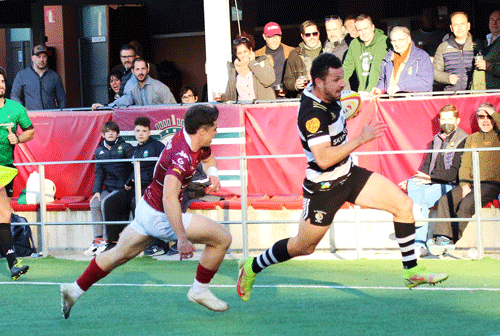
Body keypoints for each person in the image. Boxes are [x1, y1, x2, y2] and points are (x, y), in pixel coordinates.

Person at [236, 53, 448, 303]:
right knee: (303, 247)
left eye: (342, 78)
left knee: (403, 205)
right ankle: (252, 266)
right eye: (336, 80)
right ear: (318, 82)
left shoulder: (325, 94)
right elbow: (324, 159)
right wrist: (361, 138)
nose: (342, 84)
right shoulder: (312, 115)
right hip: (324, 186)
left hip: (348, 174)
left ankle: (411, 271)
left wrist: (347, 110)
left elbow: (336, 111)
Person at [60, 104, 232, 318]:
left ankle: (73, 290)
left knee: (117, 255)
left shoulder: (193, 138)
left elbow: (208, 159)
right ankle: (199, 290)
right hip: (161, 215)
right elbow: (169, 198)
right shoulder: (182, 156)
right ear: (202, 131)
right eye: (214, 128)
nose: (217, 131)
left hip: (146, 207)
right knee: (222, 238)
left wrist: (213, 173)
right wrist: (181, 238)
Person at [428, 103, 500, 255]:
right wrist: (465, 184)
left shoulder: (497, 135)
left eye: (489, 117)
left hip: (491, 184)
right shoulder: (472, 138)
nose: (485, 120)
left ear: (493, 119)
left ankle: (452, 240)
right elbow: (465, 164)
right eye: (482, 116)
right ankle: (441, 239)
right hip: (470, 183)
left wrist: (494, 113)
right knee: (445, 201)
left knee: (467, 203)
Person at [399, 104, 468, 256]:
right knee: (412, 181)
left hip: (450, 185)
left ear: (458, 120)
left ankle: (419, 243)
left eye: (450, 118)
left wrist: (429, 178)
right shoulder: (436, 139)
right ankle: (416, 211)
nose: (446, 122)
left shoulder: (464, 140)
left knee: (421, 202)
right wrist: (417, 179)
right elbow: (425, 166)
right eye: (443, 119)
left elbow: (454, 174)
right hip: (432, 182)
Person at [101, 117, 166, 255]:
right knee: (110, 203)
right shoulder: (136, 150)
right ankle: (114, 243)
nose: (141, 133)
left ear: (149, 132)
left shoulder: (158, 146)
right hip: (136, 187)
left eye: (144, 131)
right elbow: (135, 172)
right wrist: (128, 183)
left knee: (136, 202)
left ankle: (157, 243)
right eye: (138, 131)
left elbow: (166, 167)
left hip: (152, 187)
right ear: (134, 132)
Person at [0, 67, 35, 279]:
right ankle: (12, 263)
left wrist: (18, 139)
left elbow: (30, 130)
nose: (0, 85)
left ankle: (12, 264)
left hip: (7, 168)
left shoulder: (16, 108)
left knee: (4, 215)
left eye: (2, 81)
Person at [84, 121, 134, 256]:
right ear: (103, 134)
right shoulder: (99, 151)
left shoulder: (126, 147)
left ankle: (108, 239)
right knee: (95, 203)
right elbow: (99, 174)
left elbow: (135, 167)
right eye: (107, 131)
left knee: (106, 204)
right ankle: (98, 240)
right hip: (110, 188)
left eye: (113, 131)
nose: (110, 133)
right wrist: (96, 192)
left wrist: (130, 182)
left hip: (124, 188)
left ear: (118, 134)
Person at [372, 26, 434, 96]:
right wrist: (379, 90)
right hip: (392, 103)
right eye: (394, 41)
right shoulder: (387, 59)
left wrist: (400, 86)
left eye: (400, 40)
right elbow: (383, 81)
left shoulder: (421, 57)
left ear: (408, 39)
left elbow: (426, 82)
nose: (397, 44)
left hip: (415, 103)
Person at [100, 58, 176, 108]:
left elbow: (174, 108)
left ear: (148, 69)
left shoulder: (160, 87)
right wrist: (104, 106)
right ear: (132, 71)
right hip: (143, 129)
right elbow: (122, 101)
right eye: (137, 69)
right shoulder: (133, 89)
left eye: (143, 69)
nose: (140, 72)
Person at [221, 32, 276, 102]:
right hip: (243, 109)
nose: (243, 55)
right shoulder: (234, 70)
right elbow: (230, 96)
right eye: (239, 53)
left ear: (250, 50)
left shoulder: (262, 61)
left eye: (245, 51)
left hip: (263, 109)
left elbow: (268, 80)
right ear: (236, 55)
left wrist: (252, 62)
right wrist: (221, 98)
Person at [342, 14, 390, 92]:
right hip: (363, 92)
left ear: (373, 27)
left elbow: (376, 69)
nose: (363, 32)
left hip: (380, 92)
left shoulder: (383, 41)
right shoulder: (355, 44)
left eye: (366, 28)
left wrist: (368, 92)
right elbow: (346, 68)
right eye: (360, 30)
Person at [11, 44, 66, 110]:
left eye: (44, 56)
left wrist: (60, 114)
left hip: (51, 117)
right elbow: (14, 96)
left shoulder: (55, 76)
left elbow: (62, 99)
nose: (41, 59)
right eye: (38, 56)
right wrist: (21, 109)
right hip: (31, 117)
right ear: (32, 58)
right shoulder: (22, 75)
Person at [433, 12, 475, 91]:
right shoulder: (443, 47)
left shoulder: (478, 45)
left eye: (462, 24)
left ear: (468, 26)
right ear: (451, 28)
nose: (459, 28)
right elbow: (435, 72)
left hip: (475, 96)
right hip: (452, 96)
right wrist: (447, 78)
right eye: (456, 25)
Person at [283, 20, 322, 97]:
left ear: (319, 33)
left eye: (314, 34)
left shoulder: (328, 51)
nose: (312, 37)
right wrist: (295, 84)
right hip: (304, 99)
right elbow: (286, 81)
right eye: (308, 35)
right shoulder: (294, 54)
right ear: (302, 36)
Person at [473, 10, 500, 90]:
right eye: (492, 19)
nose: (494, 23)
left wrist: (490, 66)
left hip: (496, 92)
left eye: (498, 20)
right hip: (481, 90)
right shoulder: (484, 42)